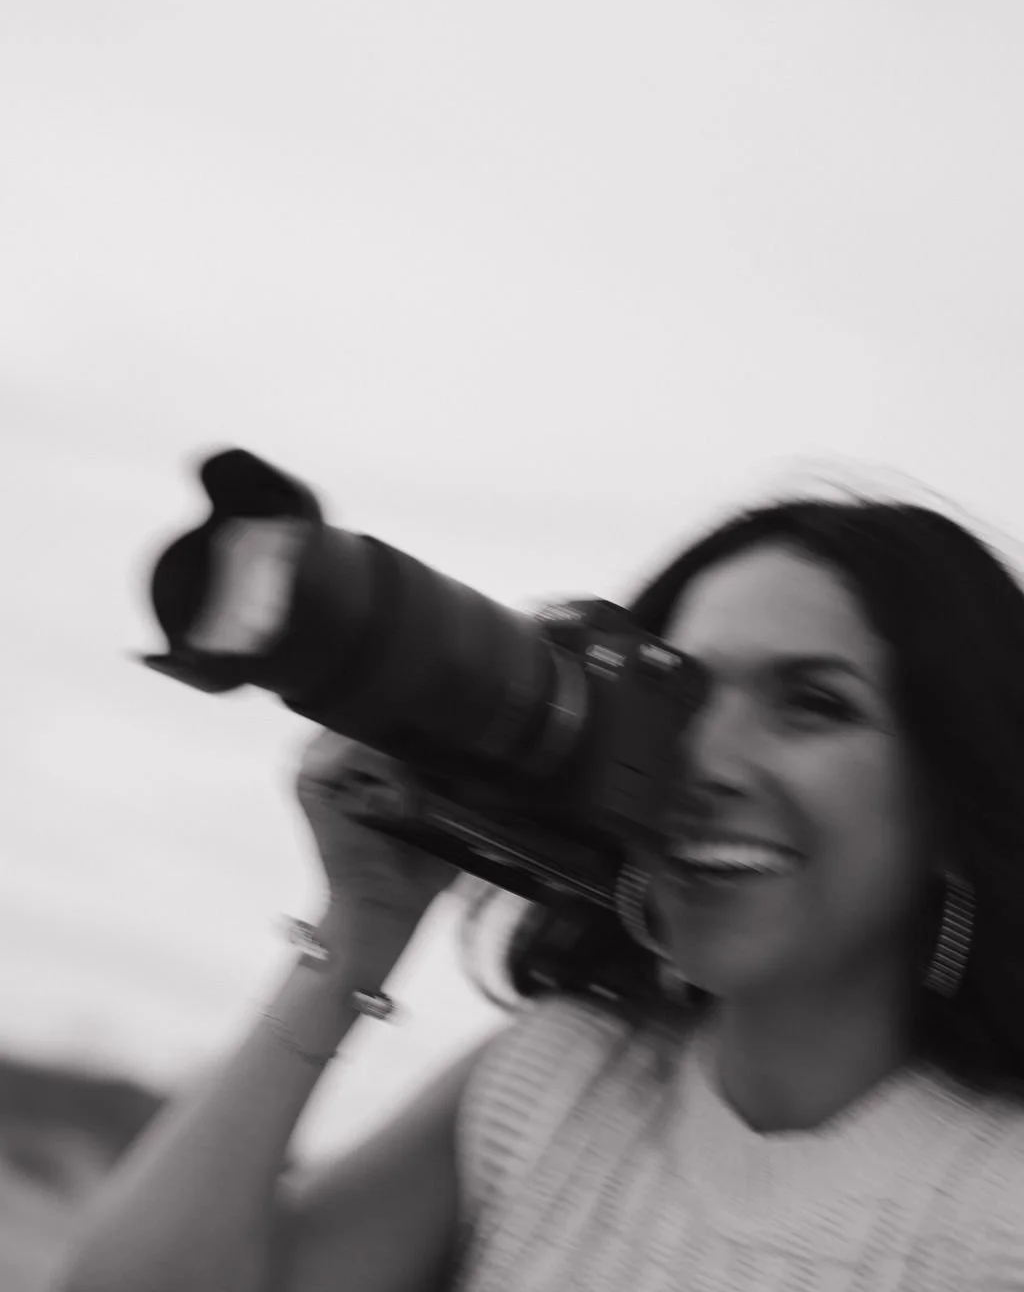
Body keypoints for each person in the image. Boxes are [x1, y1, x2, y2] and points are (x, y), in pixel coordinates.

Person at [58, 493, 1024, 1292]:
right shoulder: (555, 1081)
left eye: (812, 705)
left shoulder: (995, 1219)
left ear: (958, 793)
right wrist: (361, 924)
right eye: (680, 696)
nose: (708, 761)